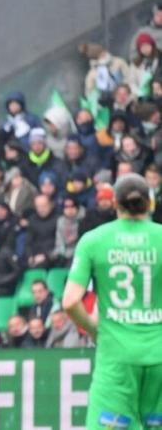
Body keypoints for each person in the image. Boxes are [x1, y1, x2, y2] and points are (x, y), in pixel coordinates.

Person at [63, 173, 162, 428]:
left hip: (116, 358)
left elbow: (71, 302)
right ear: (149, 203)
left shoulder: (94, 240)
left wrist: (97, 330)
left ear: (115, 203)